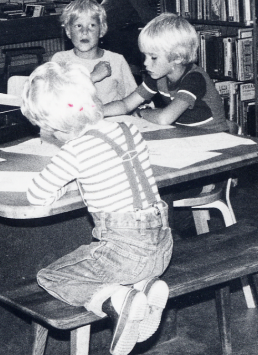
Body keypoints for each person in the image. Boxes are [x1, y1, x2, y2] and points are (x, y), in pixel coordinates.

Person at [22, 62, 172, 355]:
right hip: (161, 248)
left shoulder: (74, 151)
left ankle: (114, 300)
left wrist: (61, 183)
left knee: (50, 277)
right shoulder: (128, 129)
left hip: (125, 253)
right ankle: (144, 290)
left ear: (56, 127)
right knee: (127, 264)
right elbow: (112, 174)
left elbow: (36, 195)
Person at [103, 13, 228, 131]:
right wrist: (97, 112)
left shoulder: (194, 79)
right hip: (186, 134)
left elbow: (164, 118)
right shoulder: (157, 76)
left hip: (213, 135)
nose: (146, 63)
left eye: (153, 57)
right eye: (144, 56)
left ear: (177, 57)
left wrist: (141, 113)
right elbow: (125, 105)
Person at [49, 0, 136, 104]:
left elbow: (132, 99)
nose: (84, 32)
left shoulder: (116, 60)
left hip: (110, 118)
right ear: (68, 31)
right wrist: (93, 77)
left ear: (102, 30)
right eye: (78, 25)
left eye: (92, 25)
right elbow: (55, 98)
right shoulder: (60, 60)